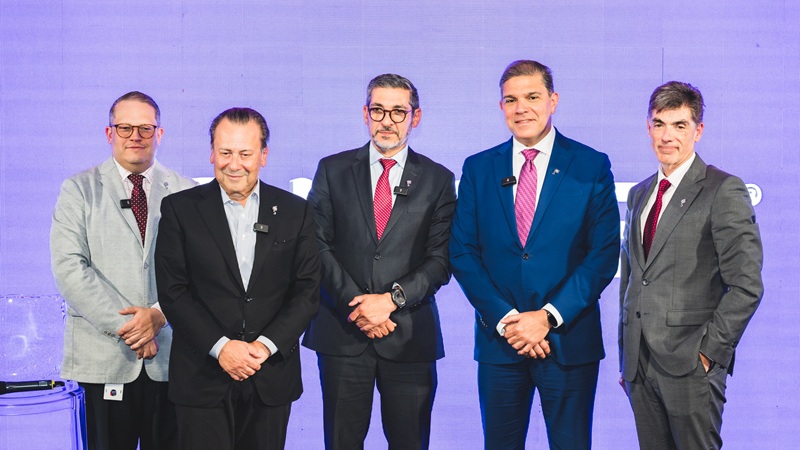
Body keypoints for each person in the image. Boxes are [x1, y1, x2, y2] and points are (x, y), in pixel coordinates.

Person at [449, 60, 620, 449]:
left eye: (532, 97)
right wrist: (509, 321)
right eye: (511, 100)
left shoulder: (591, 165)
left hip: (568, 341)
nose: (521, 108)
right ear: (501, 107)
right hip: (501, 342)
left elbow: (603, 253)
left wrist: (547, 317)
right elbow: (462, 252)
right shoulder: (478, 168)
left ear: (552, 101)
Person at [302, 73, 457, 449]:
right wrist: (358, 306)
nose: (387, 121)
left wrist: (389, 301)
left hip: (408, 336)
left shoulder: (438, 179)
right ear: (365, 113)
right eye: (378, 110)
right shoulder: (332, 170)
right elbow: (316, 246)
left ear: (415, 116)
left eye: (398, 111)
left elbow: (440, 260)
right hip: (343, 332)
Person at [154, 107, 320, 450]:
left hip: (269, 375)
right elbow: (173, 292)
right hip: (202, 375)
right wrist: (222, 348)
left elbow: (306, 291)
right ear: (212, 153)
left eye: (245, 154)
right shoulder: (179, 209)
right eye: (225, 152)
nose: (234, 164)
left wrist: (263, 347)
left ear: (263, 155)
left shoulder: (295, 211)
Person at [618, 81, 763, 449]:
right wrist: (626, 355)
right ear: (648, 127)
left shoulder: (723, 189)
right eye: (659, 124)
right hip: (639, 366)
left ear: (698, 131)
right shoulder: (639, 194)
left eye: (679, 125)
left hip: (691, 365)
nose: (667, 136)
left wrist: (709, 353)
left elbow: (746, 285)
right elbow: (632, 279)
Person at [50, 91, 196, 450]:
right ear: (109, 133)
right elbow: (70, 268)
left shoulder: (187, 192)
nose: (135, 136)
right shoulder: (79, 189)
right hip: (103, 359)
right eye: (125, 128)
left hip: (171, 359)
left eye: (145, 128)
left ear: (160, 134)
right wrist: (134, 328)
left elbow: (200, 270)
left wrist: (159, 315)